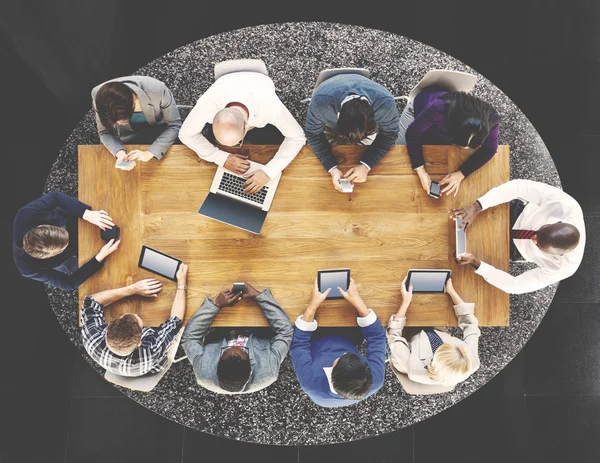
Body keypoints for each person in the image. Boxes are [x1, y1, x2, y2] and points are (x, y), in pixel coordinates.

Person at [179, 71, 306, 194]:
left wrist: (269, 172)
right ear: (213, 118)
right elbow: (185, 134)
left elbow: (297, 137)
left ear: (247, 127)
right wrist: (221, 157)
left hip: (258, 82)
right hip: (226, 82)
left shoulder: (270, 108)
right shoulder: (206, 106)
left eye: (237, 142)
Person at [450, 179, 585, 294]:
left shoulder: (563, 268)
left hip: (516, 249)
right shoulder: (567, 205)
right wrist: (478, 206)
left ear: (558, 255)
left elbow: (516, 286)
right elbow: (519, 187)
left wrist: (477, 264)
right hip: (518, 214)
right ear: (558, 221)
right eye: (538, 232)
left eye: (537, 245)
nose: (533, 239)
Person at [181, 283, 293, 394]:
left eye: (227, 349)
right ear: (251, 367)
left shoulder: (203, 372)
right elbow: (285, 333)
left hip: (221, 322)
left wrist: (216, 305)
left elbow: (189, 338)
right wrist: (259, 297)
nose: (235, 345)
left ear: (217, 365)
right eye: (243, 349)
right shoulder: (269, 371)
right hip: (257, 320)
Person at [290, 278, 386, 407]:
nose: (344, 352)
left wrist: (313, 305)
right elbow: (377, 338)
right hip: (348, 339)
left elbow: (298, 345)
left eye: (340, 358)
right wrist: (358, 301)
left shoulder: (310, 382)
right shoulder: (376, 378)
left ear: (331, 374)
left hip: (315, 340)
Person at [81, 264, 188, 377]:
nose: (136, 314)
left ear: (109, 328)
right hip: (150, 365)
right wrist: (182, 283)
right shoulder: (152, 351)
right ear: (140, 342)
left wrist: (132, 289)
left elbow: (90, 301)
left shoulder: (91, 337)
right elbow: (175, 321)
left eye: (124, 317)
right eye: (139, 323)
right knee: (178, 330)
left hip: (119, 367)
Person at [305, 74, 400, 192]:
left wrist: (366, 165)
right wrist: (332, 168)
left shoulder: (385, 105)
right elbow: (313, 134)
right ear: (338, 116)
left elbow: (390, 134)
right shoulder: (321, 104)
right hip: (332, 123)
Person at [387, 276, 480, 394]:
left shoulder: (414, 368)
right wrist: (451, 292)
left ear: (435, 357)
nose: (459, 344)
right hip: (436, 333)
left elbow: (394, 335)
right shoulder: (471, 361)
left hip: (409, 343)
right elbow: (470, 325)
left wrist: (405, 302)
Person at [397, 89, 500, 196]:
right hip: (416, 114)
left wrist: (461, 174)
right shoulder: (438, 108)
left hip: (438, 131)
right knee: (398, 152)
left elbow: (490, 149)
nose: (464, 149)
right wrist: (420, 170)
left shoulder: (491, 118)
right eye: (460, 145)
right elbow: (413, 133)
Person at [13, 192, 120, 290]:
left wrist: (86, 214)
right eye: (64, 246)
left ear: (43, 226)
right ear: (51, 256)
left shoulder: (25, 215)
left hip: (72, 220)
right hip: (70, 257)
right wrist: (99, 257)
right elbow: (68, 283)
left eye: (62, 232)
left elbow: (55, 197)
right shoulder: (27, 269)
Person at [91, 76, 182, 170]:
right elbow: (104, 132)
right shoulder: (98, 95)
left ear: (133, 103)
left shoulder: (157, 91)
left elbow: (174, 125)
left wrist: (150, 153)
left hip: (162, 135)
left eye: (121, 121)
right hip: (129, 140)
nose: (118, 124)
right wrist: (119, 153)